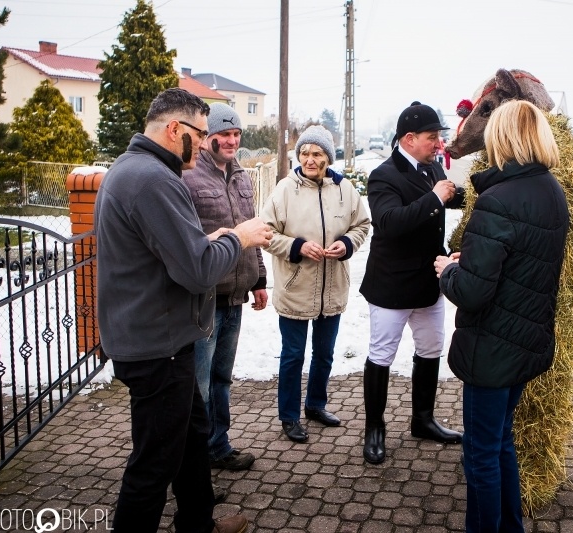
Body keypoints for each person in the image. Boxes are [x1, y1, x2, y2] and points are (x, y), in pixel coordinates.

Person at [95, 87, 272, 533]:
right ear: (175, 130)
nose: (208, 139)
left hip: (164, 337)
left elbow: (168, 252)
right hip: (156, 347)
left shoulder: (137, 170)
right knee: (153, 465)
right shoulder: (153, 179)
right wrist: (239, 237)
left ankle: (198, 522)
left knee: (192, 439)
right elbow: (196, 272)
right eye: (201, 131)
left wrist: (210, 241)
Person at [433, 100, 569, 533]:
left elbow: (473, 291)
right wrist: (472, 260)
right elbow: (522, 263)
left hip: (493, 349)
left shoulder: (497, 199)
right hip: (526, 341)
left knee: (481, 455)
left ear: (502, 137)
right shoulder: (551, 191)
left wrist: (450, 270)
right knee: (501, 443)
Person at [359, 101, 465, 465]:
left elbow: (452, 196)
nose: (438, 144)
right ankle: (375, 429)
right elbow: (389, 222)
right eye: (432, 137)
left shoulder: (432, 167)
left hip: (429, 282)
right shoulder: (383, 175)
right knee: (382, 355)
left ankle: (423, 420)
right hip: (391, 285)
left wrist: (486, 189)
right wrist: (436, 197)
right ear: (409, 138)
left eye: (438, 136)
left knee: (431, 349)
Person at [261, 125, 370, 443]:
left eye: (317, 153)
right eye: (305, 153)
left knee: (324, 353)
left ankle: (316, 405)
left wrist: (347, 244)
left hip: (332, 285)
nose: (310, 159)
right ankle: (290, 416)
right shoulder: (285, 189)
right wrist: (297, 247)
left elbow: (362, 224)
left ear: (328, 158)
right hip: (296, 286)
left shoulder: (345, 189)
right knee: (293, 354)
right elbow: (267, 233)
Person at [182, 102, 267, 472]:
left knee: (221, 378)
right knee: (198, 384)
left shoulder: (242, 176)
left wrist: (260, 278)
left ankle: (219, 445)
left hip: (235, 296)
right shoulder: (187, 178)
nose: (231, 141)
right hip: (204, 298)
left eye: (236, 135)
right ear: (206, 139)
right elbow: (184, 240)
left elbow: (252, 230)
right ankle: (193, 463)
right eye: (223, 135)